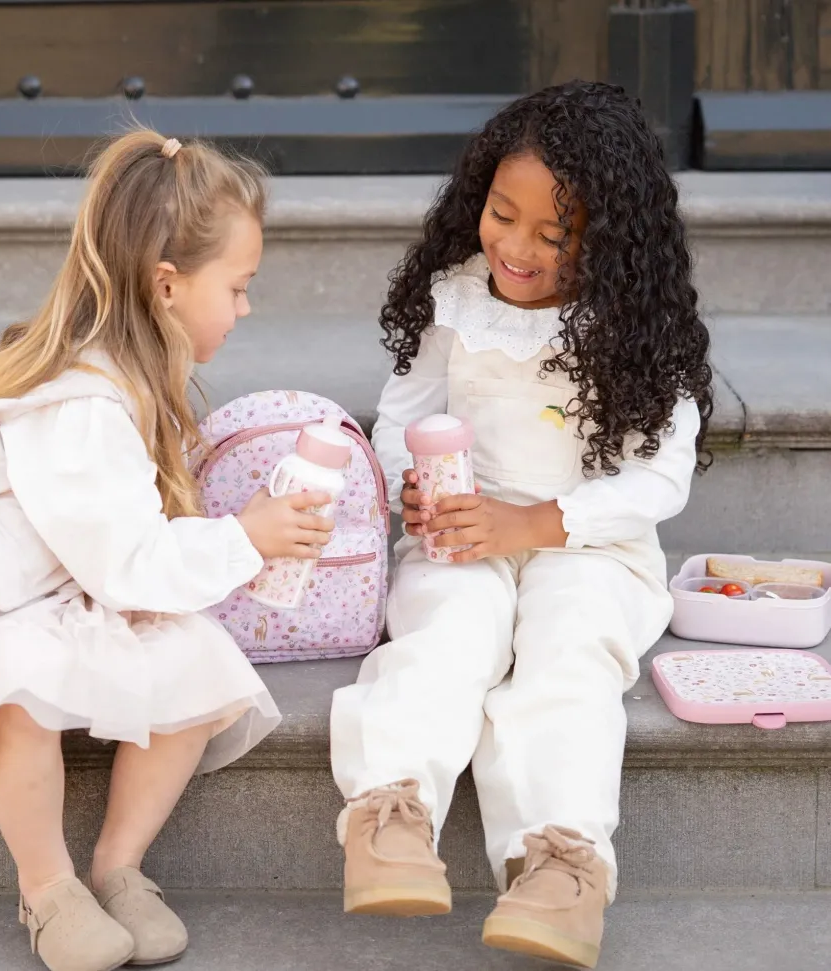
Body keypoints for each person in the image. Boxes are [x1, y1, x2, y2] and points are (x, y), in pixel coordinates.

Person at [0, 131, 334, 971]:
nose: (247, 307)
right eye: (239, 286)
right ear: (167, 285)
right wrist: (242, 537)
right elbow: (122, 564)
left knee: (195, 660)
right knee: (16, 687)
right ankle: (47, 887)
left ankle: (117, 865)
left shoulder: (126, 379)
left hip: (53, 576)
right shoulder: (81, 403)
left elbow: (115, 555)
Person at [330, 81, 712, 970]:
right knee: (444, 631)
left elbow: (659, 474)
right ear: (479, 198)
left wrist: (536, 523)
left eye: (555, 233)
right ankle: (390, 814)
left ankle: (559, 864)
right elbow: (402, 412)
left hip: (589, 542)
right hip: (464, 522)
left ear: (611, 242)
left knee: (569, 653)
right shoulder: (456, 297)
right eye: (503, 215)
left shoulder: (631, 325)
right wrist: (410, 486)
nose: (518, 247)